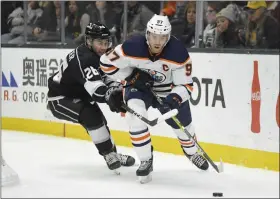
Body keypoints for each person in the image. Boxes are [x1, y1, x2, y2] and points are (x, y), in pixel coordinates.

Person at [100, 14, 209, 183]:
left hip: (167, 90)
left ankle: (192, 152)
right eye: (154, 36)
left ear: (168, 37)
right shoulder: (131, 46)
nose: (157, 41)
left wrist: (174, 99)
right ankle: (145, 160)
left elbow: (186, 86)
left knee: (184, 126)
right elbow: (105, 63)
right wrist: (132, 75)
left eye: (162, 37)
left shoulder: (178, 52)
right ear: (147, 35)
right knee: (135, 117)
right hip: (138, 87)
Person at [47, 22, 135, 173]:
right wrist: (109, 95)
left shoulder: (100, 55)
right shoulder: (84, 58)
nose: (103, 46)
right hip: (60, 99)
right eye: (99, 42)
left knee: (100, 121)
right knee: (91, 115)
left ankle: (113, 153)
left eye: (106, 42)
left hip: (79, 95)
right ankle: (109, 155)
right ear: (88, 41)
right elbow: (96, 88)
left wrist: (115, 90)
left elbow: (107, 76)